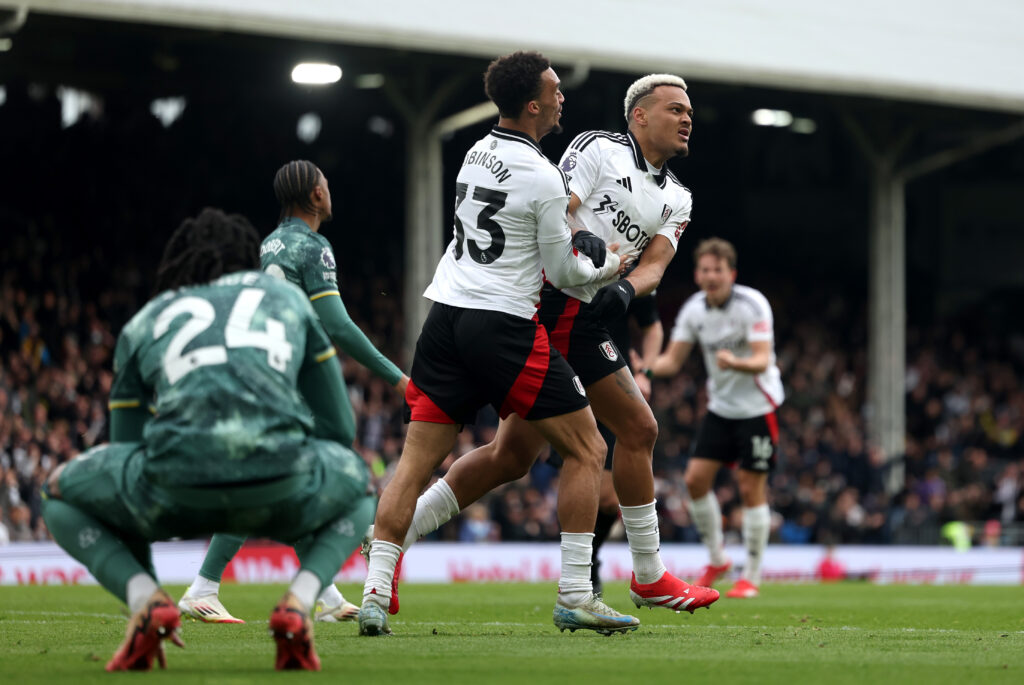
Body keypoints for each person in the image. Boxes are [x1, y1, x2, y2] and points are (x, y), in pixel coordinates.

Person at [394, 73, 719, 615]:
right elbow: (555, 204)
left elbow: (657, 264)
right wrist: (579, 235)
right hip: (540, 306)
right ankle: (636, 576)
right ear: (638, 115)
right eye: (674, 109)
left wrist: (624, 288)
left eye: (689, 111)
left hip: (589, 318)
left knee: (548, 447)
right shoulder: (597, 149)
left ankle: (646, 575)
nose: (687, 118)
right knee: (535, 451)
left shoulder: (678, 197)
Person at [358, 50, 637, 637]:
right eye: (555, 91)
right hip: (502, 324)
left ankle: (374, 595)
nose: (564, 98)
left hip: (445, 318)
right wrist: (609, 265)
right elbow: (562, 271)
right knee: (588, 450)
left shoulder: (475, 152)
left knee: (413, 465)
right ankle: (575, 594)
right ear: (533, 104)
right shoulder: (543, 174)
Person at [40, 208, 375, 671]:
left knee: (54, 492)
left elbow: (125, 456)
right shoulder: (287, 302)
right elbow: (340, 428)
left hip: (171, 491)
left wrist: (147, 587)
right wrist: (293, 454)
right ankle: (301, 601)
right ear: (246, 260)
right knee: (362, 485)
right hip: (280, 485)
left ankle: (146, 601)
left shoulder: (146, 320)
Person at [177, 160, 409, 625]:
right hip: (293, 375)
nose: (330, 187)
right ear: (315, 196)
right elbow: (337, 324)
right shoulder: (314, 246)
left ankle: (322, 592)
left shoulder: (272, 242)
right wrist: (397, 377)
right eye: (325, 181)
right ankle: (203, 586)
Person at [645, 237, 784, 598]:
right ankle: (718, 559)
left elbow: (763, 359)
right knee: (694, 480)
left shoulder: (753, 304)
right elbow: (671, 362)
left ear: (730, 273)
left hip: (757, 407)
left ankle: (751, 575)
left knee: (750, 488)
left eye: (717, 270)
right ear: (697, 274)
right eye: (705, 269)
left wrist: (734, 362)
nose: (711, 276)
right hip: (721, 408)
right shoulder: (694, 310)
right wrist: (641, 368)